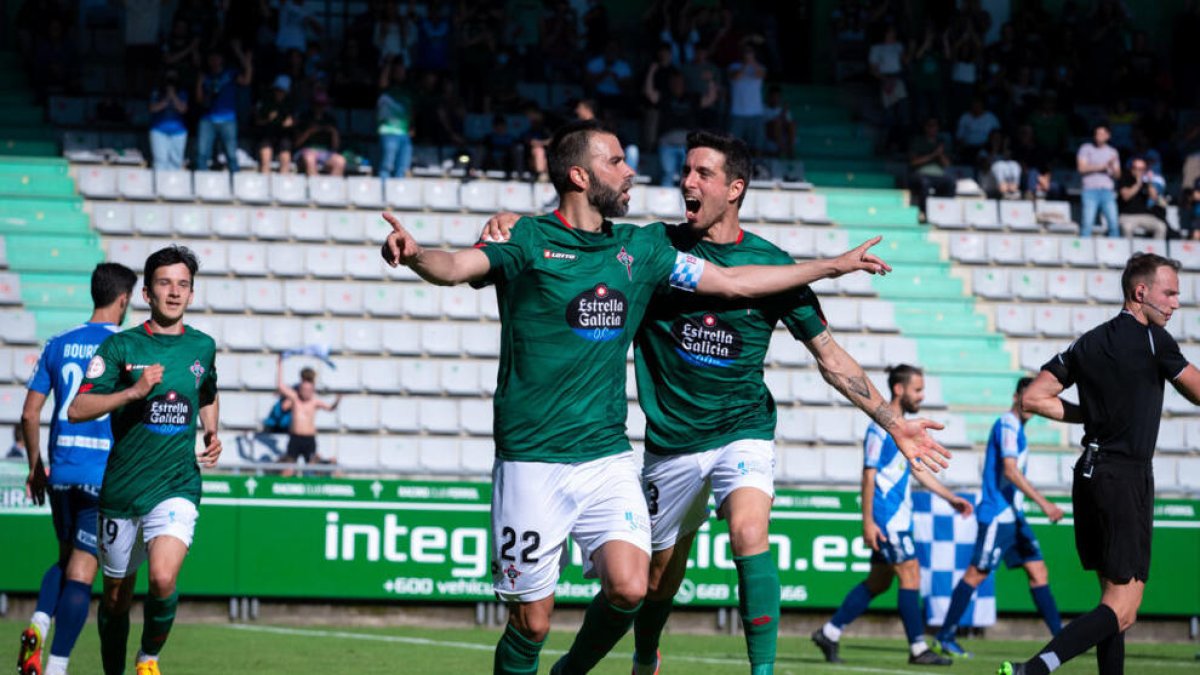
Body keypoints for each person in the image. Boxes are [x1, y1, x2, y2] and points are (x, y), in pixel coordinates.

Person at [380, 119, 949, 675]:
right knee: (551, 617)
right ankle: (618, 657)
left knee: (672, 568)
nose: (661, 178)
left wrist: (832, 273)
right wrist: (419, 253)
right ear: (580, 176)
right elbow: (457, 266)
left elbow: (745, 291)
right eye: (620, 162)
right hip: (583, 452)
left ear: (736, 188)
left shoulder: (690, 257)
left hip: (640, 447)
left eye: (701, 172)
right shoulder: (589, 243)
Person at [999, 253, 1199, 675]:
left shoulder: (1087, 342)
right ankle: (1034, 669)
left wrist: (1086, 416)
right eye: (1171, 293)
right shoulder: (1153, 340)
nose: (1176, 303)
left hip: (1090, 473)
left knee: (1113, 601)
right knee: (1123, 609)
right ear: (1140, 292)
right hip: (1123, 477)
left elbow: (1032, 398)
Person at [68, 246, 221, 675]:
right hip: (123, 489)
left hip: (177, 484)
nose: (174, 292)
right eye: (165, 283)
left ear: (191, 294)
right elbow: (77, 409)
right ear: (148, 292)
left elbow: (206, 392)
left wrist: (211, 430)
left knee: (162, 579)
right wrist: (132, 393)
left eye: (183, 285)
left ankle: (148, 658)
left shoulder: (203, 347)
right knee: (116, 598)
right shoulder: (121, 346)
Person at [16, 263, 137, 675]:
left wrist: (36, 466)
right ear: (123, 300)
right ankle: (56, 666)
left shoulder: (58, 343)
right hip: (102, 472)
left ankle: (38, 622)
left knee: (65, 557)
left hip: (61, 472)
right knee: (84, 570)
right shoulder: (125, 347)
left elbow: (30, 415)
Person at [812, 365, 971, 667]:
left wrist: (950, 498)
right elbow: (869, 475)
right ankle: (917, 649)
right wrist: (868, 521)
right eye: (918, 389)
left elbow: (917, 471)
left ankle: (829, 633)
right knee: (910, 573)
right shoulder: (879, 427)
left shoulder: (903, 429)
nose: (921, 396)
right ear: (899, 389)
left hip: (898, 518)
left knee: (878, 582)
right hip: (886, 518)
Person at [934, 378, 1064, 658]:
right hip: (997, 516)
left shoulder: (1017, 428)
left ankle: (1062, 640)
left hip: (1014, 517)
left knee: (1038, 572)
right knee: (977, 573)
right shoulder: (1007, 424)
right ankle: (944, 636)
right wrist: (1044, 504)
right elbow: (1010, 471)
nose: (1032, 405)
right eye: (1027, 398)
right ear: (1018, 396)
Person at [276, 357, 340, 474]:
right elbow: (281, 386)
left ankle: (328, 466)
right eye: (304, 390)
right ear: (300, 389)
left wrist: (337, 400)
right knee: (288, 469)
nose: (306, 392)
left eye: (309, 390)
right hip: (295, 438)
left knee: (314, 469)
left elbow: (330, 408)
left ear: (312, 390)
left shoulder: (315, 401)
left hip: (309, 439)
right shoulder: (295, 398)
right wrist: (279, 365)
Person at [194, 47, 253, 172]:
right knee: (202, 154)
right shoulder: (206, 76)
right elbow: (199, 100)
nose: (214, 61)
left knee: (231, 155)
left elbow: (246, 80)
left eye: (217, 58)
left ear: (222, 59)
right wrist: (199, 83)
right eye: (212, 58)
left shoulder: (230, 74)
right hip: (207, 119)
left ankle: (236, 186)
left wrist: (245, 59)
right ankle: (202, 184)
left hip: (228, 120)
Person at [1076, 124, 1121, 238]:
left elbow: (1117, 175)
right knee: (1087, 224)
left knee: (1114, 224)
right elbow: (1081, 168)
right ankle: (1083, 252)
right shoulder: (1085, 148)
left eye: (1101, 134)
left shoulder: (1113, 152)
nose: (1098, 136)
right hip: (1090, 191)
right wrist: (1103, 166)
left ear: (1108, 136)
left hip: (1107, 192)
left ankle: (1115, 253)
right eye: (1096, 134)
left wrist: (1113, 168)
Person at [908, 117, 955, 220]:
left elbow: (947, 164)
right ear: (925, 127)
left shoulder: (941, 142)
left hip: (939, 175)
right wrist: (933, 155)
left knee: (951, 182)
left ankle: (945, 212)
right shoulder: (918, 141)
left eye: (935, 126)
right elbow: (913, 162)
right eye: (930, 126)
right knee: (924, 183)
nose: (932, 128)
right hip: (920, 174)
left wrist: (940, 154)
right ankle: (924, 212)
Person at [377, 58, 414, 180]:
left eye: (403, 70)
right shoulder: (386, 89)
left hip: (404, 134)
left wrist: (412, 126)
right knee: (386, 166)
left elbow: (410, 111)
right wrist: (388, 62)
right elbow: (382, 82)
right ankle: (383, 195)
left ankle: (398, 196)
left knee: (403, 169)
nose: (401, 72)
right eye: (398, 70)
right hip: (388, 132)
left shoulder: (408, 90)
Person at [253, 75, 297, 174]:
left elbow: (296, 122)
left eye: (282, 91)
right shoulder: (265, 102)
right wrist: (268, 120)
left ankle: (282, 187)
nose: (279, 93)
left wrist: (291, 123)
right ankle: (264, 186)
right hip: (267, 135)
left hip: (283, 137)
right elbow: (257, 121)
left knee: (285, 157)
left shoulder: (290, 104)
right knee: (266, 155)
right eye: (278, 90)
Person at [295, 92, 346, 176]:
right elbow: (296, 143)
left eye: (322, 104)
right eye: (317, 104)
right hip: (306, 151)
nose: (320, 107)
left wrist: (333, 132)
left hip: (325, 152)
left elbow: (335, 147)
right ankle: (316, 186)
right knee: (310, 159)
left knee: (340, 161)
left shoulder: (330, 120)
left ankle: (331, 188)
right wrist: (309, 131)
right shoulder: (304, 117)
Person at [1117, 157, 1169, 239]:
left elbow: (1154, 197)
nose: (1138, 171)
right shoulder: (1125, 179)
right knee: (1127, 228)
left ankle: (1155, 251)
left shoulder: (1146, 182)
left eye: (1141, 169)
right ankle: (1129, 251)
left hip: (1144, 215)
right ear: (1131, 168)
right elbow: (1126, 196)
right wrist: (1138, 184)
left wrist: (1150, 182)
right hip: (1127, 215)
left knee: (1161, 227)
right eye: (1135, 168)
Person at [728, 44, 766, 154]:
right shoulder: (733, 67)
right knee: (733, 145)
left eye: (750, 53)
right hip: (737, 113)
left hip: (756, 113)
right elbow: (736, 76)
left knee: (757, 145)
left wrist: (752, 63)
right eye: (746, 53)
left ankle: (757, 168)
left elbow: (760, 74)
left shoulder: (760, 67)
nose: (748, 55)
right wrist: (745, 64)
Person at [148, 70, 189, 171]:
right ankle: (159, 186)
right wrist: (166, 99)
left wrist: (173, 96)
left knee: (176, 162)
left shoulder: (182, 92)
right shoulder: (156, 91)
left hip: (179, 131)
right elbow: (152, 108)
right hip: (159, 130)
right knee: (160, 161)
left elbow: (182, 109)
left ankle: (173, 185)